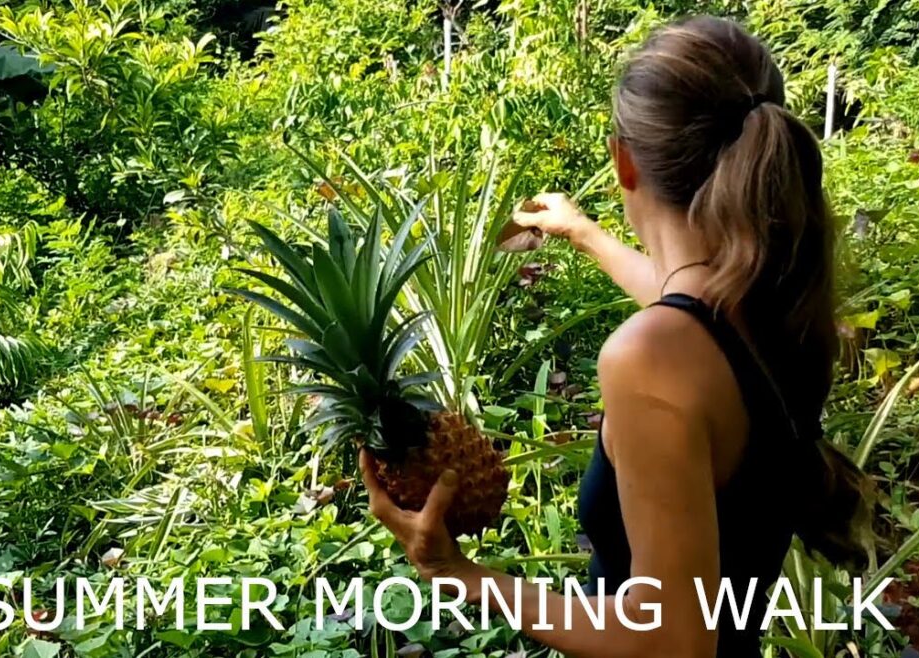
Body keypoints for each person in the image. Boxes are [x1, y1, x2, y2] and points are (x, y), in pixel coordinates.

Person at [360, 15, 875, 658]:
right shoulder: (773, 311)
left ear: (623, 160)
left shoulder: (651, 357)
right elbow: (683, 306)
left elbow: (671, 642)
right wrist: (584, 233)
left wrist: (459, 574)